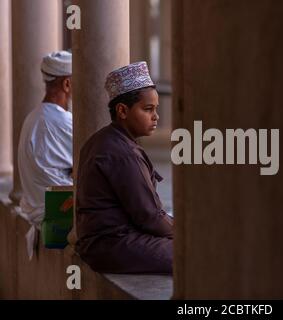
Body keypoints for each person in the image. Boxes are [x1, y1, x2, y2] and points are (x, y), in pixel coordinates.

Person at [75, 62, 173, 274]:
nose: (156, 116)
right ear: (122, 110)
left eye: (156, 109)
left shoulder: (102, 140)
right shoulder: (122, 152)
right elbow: (150, 218)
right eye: (148, 109)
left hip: (102, 243)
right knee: (192, 253)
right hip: (114, 245)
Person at [18, 51, 73, 260]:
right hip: (56, 216)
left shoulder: (33, 118)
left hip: (38, 212)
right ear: (67, 84)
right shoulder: (61, 122)